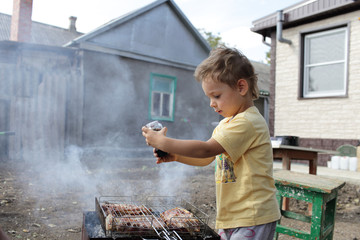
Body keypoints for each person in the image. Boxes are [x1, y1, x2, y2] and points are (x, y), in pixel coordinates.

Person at [142, 46, 280, 240]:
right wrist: (177, 156)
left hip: (253, 215)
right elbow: (208, 158)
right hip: (232, 215)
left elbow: (205, 149)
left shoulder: (248, 122)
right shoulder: (227, 124)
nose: (211, 103)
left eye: (216, 96)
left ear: (241, 87)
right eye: (209, 97)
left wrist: (164, 142)